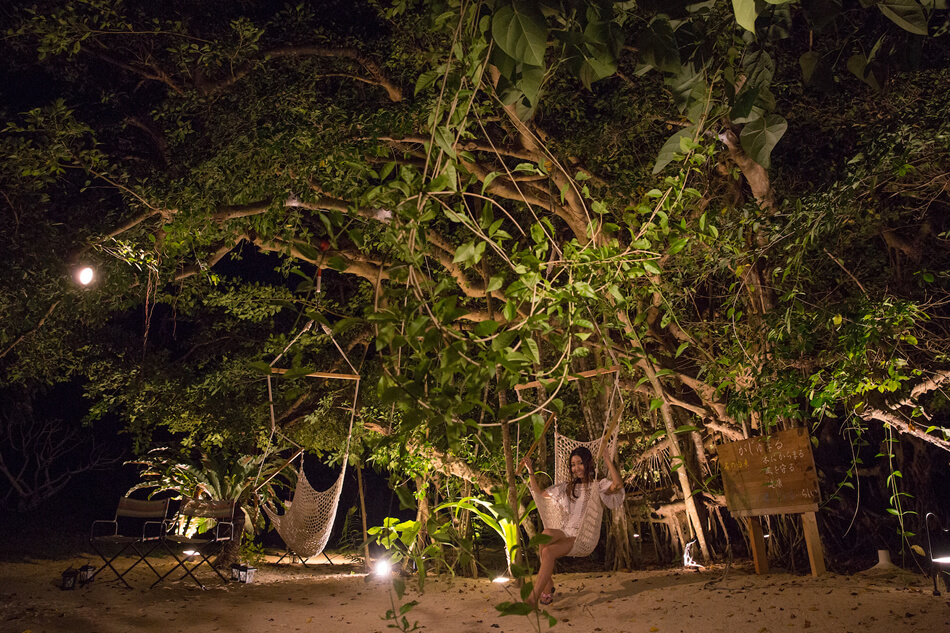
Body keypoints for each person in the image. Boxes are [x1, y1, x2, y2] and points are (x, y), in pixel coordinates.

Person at [522, 447, 624, 607]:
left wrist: (607, 461)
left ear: (588, 463)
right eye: (573, 465)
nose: (576, 468)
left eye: (580, 463)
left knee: (548, 551)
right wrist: (531, 473)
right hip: (565, 530)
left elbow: (617, 485)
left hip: (581, 537)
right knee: (545, 533)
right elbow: (540, 495)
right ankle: (547, 586)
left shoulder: (598, 485)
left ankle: (535, 596)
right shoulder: (568, 487)